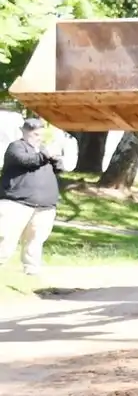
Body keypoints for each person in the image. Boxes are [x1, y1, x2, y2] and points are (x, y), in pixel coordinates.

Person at [0, 118, 64, 277]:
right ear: (24, 132)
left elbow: (60, 169)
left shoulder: (43, 150)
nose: (38, 137)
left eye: (40, 134)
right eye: (34, 134)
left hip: (44, 206)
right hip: (17, 203)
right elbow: (27, 161)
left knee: (36, 240)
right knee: (6, 237)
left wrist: (56, 159)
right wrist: (46, 155)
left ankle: (31, 270)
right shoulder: (16, 147)